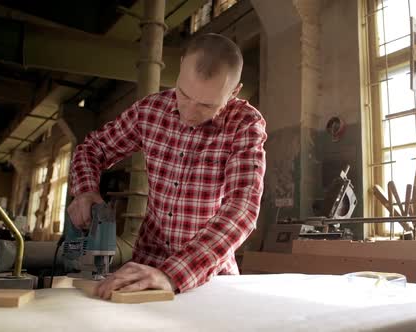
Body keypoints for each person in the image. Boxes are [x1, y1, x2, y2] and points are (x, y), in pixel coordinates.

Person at [67, 33, 267, 298]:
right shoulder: (150, 111)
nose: (189, 112)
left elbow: (241, 209)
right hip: (146, 266)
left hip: (209, 278)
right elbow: (93, 149)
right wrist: (85, 190)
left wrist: (171, 274)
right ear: (181, 66)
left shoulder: (245, 124)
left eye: (207, 105)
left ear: (234, 92)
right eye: (184, 94)